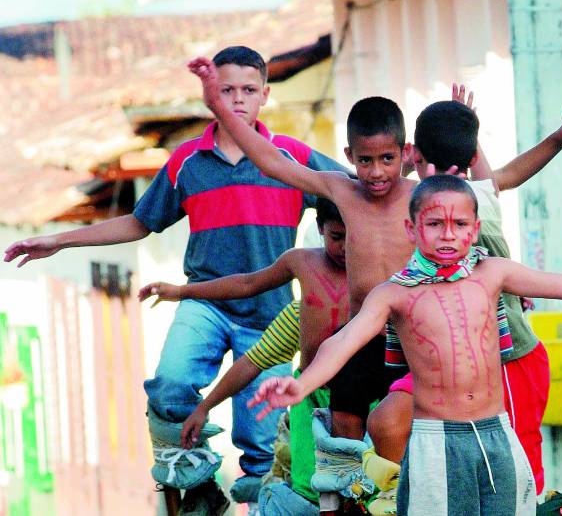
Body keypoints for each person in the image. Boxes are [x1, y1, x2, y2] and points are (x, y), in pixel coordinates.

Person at [5, 46, 347, 514]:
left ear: (265, 95)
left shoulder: (291, 157)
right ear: (211, 95)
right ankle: (200, 486)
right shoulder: (186, 161)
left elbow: (355, 193)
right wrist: (60, 241)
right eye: (225, 90)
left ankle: (257, 503)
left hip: (270, 314)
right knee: (169, 384)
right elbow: (139, 222)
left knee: (264, 443)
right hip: (204, 302)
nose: (237, 100)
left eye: (248, 90)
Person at [248, 174, 562, 516]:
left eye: (459, 224)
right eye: (434, 224)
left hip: (495, 433)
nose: (447, 234)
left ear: (473, 229)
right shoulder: (396, 292)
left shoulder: (492, 274)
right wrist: (301, 384)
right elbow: (343, 343)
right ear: (412, 230)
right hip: (434, 442)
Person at [367, 91, 562, 494]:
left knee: (519, 462)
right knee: (400, 425)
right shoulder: (449, 199)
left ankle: (535, 504)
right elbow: (502, 177)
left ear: (413, 156)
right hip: (455, 362)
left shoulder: (463, 204)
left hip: (510, 358)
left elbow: (495, 180)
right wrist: (557, 140)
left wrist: (465, 132)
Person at [189, 56, 419, 445]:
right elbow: (271, 162)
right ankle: (349, 499)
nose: (376, 172)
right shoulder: (342, 189)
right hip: (359, 338)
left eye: (387, 160)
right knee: (343, 429)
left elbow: (473, 222)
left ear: (406, 153)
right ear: (349, 157)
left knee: (404, 432)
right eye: (365, 161)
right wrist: (219, 109)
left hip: (412, 336)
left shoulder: (420, 197)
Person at [138, 196, 347, 513]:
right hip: (311, 408)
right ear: (320, 230)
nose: (345, 248)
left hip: (364, 407)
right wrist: (204, 407)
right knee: (309, 494)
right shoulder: (304, 307)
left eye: (353, 237)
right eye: (336, 237)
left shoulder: (381, 291)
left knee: (362, 491)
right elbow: (253, 357)